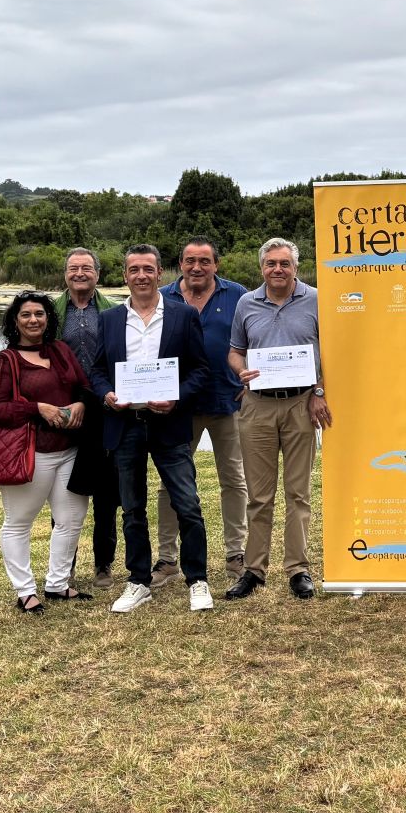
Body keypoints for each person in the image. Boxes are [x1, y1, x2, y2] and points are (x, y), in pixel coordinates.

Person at [87, 245, 215, 614]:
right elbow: (97, 370)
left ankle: (197, 579)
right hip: (125, 424)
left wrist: (176, 397)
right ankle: (139, 580)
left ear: (160, 273)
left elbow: (200, 370)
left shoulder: (183, 315)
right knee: (132, 508)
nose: (141, 276)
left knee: (187, 504)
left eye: (148, 269)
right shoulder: (110, 319)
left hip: (169, 423)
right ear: (125, 275)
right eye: (134, 270)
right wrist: (106, 394)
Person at [225, 238, 331, 600]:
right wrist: (240, 370)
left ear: (296, 267)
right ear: (262, 268)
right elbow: (235, 351)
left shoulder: (316, 299)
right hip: (257, 405)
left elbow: (331, 352)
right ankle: (254, 570)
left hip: (301, 403)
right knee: (259, 495)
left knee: (298, 492)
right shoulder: (246, 303)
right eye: (271, 263)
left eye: (284, 263)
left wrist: (319, 392)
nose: (277, 269)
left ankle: (298, 569)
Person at [0, 291, 93, 612]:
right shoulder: (7, 360)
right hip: (31, 454)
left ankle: (58, 584)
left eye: (39, 314)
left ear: (48, 319)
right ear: (15, 322)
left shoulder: (60, 350)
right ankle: (25, 591)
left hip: (69, 450)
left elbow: (83, 386)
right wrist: (37, 408)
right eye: (26, 315)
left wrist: (81, 403)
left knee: (71, 519)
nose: (33, 320)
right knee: (19, 522)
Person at [157, 235, 251, 586]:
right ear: (180, 264)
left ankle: (236, 554)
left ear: (216, 265)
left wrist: (252, 379)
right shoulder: (163, 297)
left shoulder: (238, 295)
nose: (197, 267)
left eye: (205, 261)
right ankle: (167, 559)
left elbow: (253, 340)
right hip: (176, 406)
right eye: (190, 261)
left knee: (234, 480)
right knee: (171, 484)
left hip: (228, 402)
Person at [54, 247, 120, 588]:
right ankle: (63, 565)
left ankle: (104, 564)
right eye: (73, 268)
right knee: (64, 491)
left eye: (86, 268)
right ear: (65, 274)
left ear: (97, 273)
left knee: (107, 492)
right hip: (65, 411)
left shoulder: (114, 310)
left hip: (105, 408)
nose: (79, 273)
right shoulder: (51, 311)